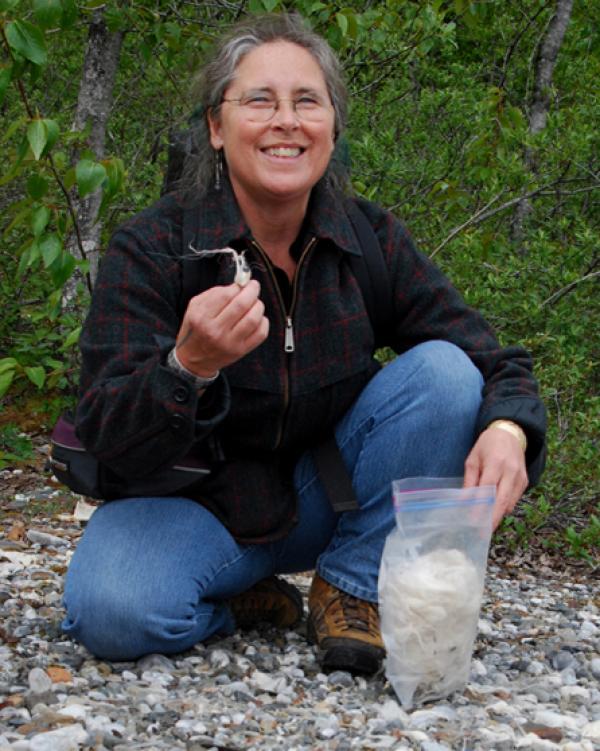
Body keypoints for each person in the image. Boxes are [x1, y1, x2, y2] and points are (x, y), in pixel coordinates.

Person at [62, 13, 546, 675]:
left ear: (332, 126)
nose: (285, 121)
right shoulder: (154, 247)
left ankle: (348, 584)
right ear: (215, 125)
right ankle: (238, 595)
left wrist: (510, 428)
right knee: (113, 612)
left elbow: (490, 356)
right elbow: (107, 428)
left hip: (326, 496)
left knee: (448, 375)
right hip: (196, 510)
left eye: (307, 101)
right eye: (259, 100)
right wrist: (188, 366)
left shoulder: (368, 238)